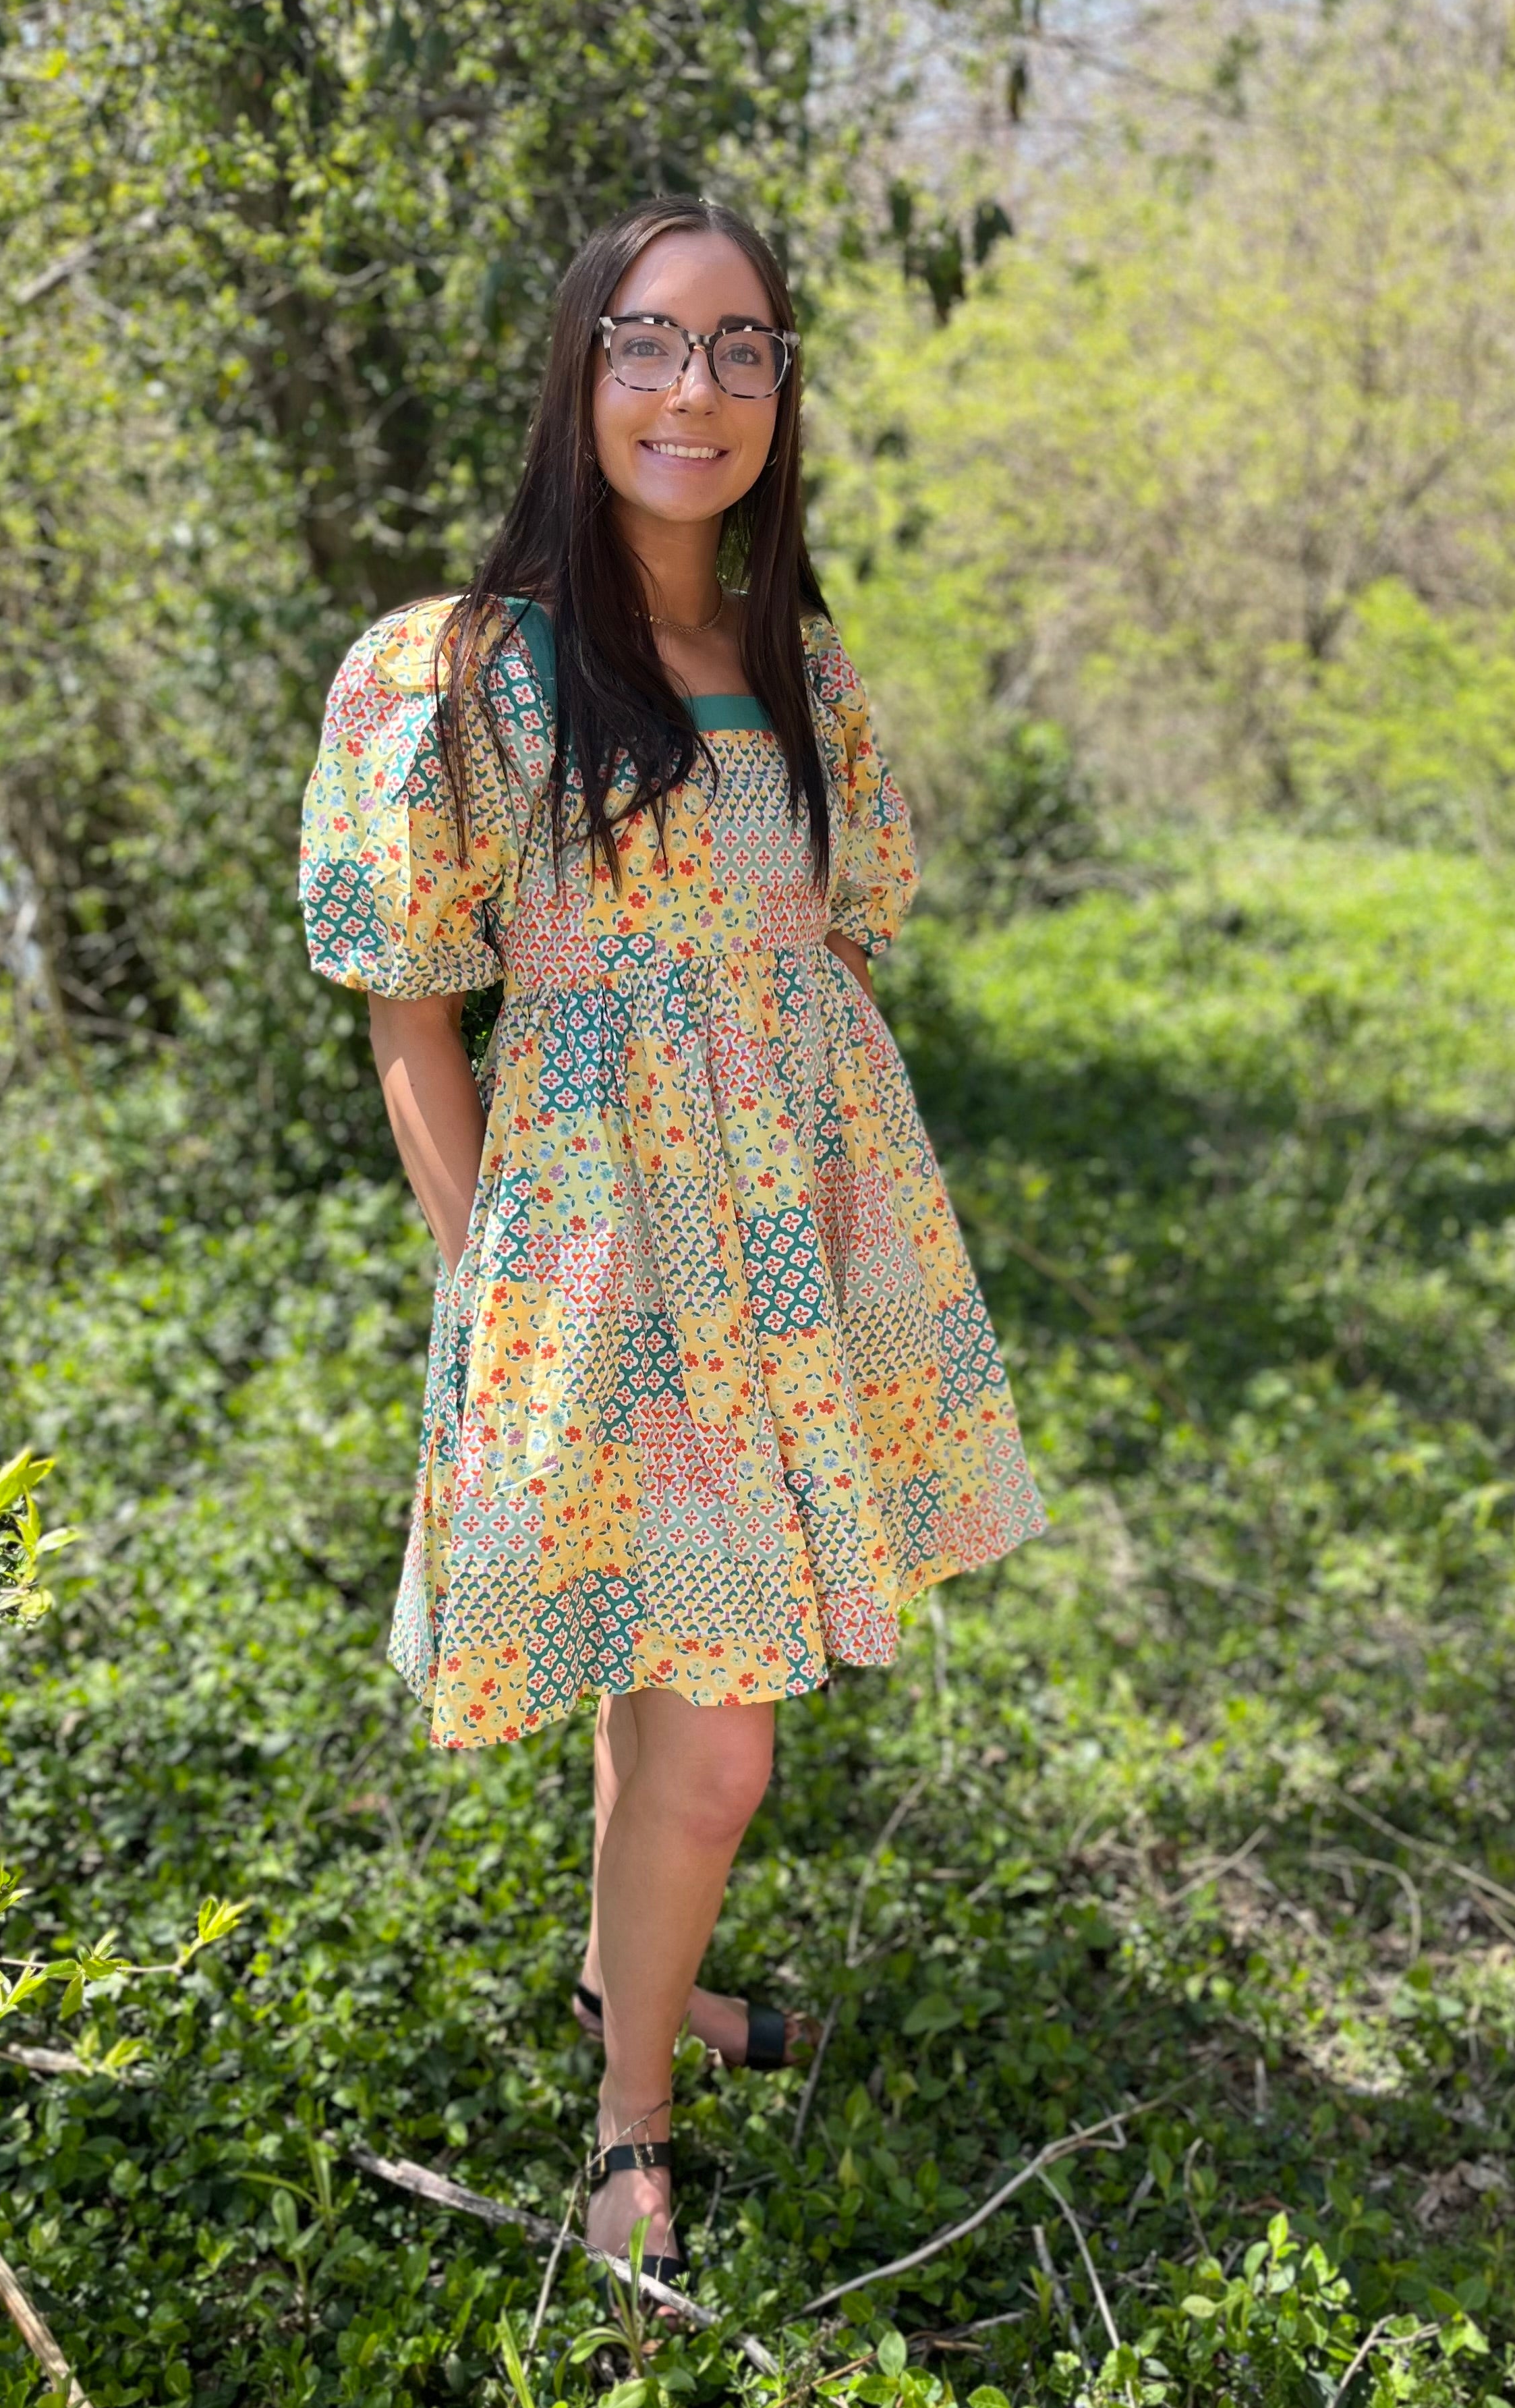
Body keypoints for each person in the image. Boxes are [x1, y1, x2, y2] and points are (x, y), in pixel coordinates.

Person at [299, 195, 1045, 2287]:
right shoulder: (464, 669)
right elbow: (410, 1013)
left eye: (738, 348)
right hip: (600, 1272)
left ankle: (635, 1981)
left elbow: (833, 959)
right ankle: (632, 2112)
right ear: (579, 369)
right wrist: (498, 1284)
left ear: (781, 389)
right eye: (646, 339)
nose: (690, 389)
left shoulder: (797, 658)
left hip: (793, 1259)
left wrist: (834, 1216)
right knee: (721, 1743)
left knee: (672, 1700)